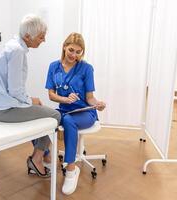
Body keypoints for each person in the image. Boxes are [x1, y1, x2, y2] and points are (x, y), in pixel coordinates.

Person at [0, 14, 61, 178]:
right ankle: (37, 159)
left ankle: (45, 153)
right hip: (5, 109)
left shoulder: (11, 45)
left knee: (40, 111)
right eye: (41, 37)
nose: (43, 40)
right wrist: (30, 100)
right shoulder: (18, 51)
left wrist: (30, 101)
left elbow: (12, 87)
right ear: (28, 36)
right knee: (55, 115)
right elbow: (15, 90)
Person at [45, 32, 106, 194]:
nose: (74, 55)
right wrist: (65, 100)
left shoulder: (86, 68)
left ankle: (71, 171)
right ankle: (44, 156)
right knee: (44, 121)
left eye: (78, 52)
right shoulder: (54, 67)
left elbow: (90, 98)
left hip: (85, 113)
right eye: (71, 50)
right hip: (64, 110)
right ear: (64, 47)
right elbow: (51, 95)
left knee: (68, 121)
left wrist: (97, 104)